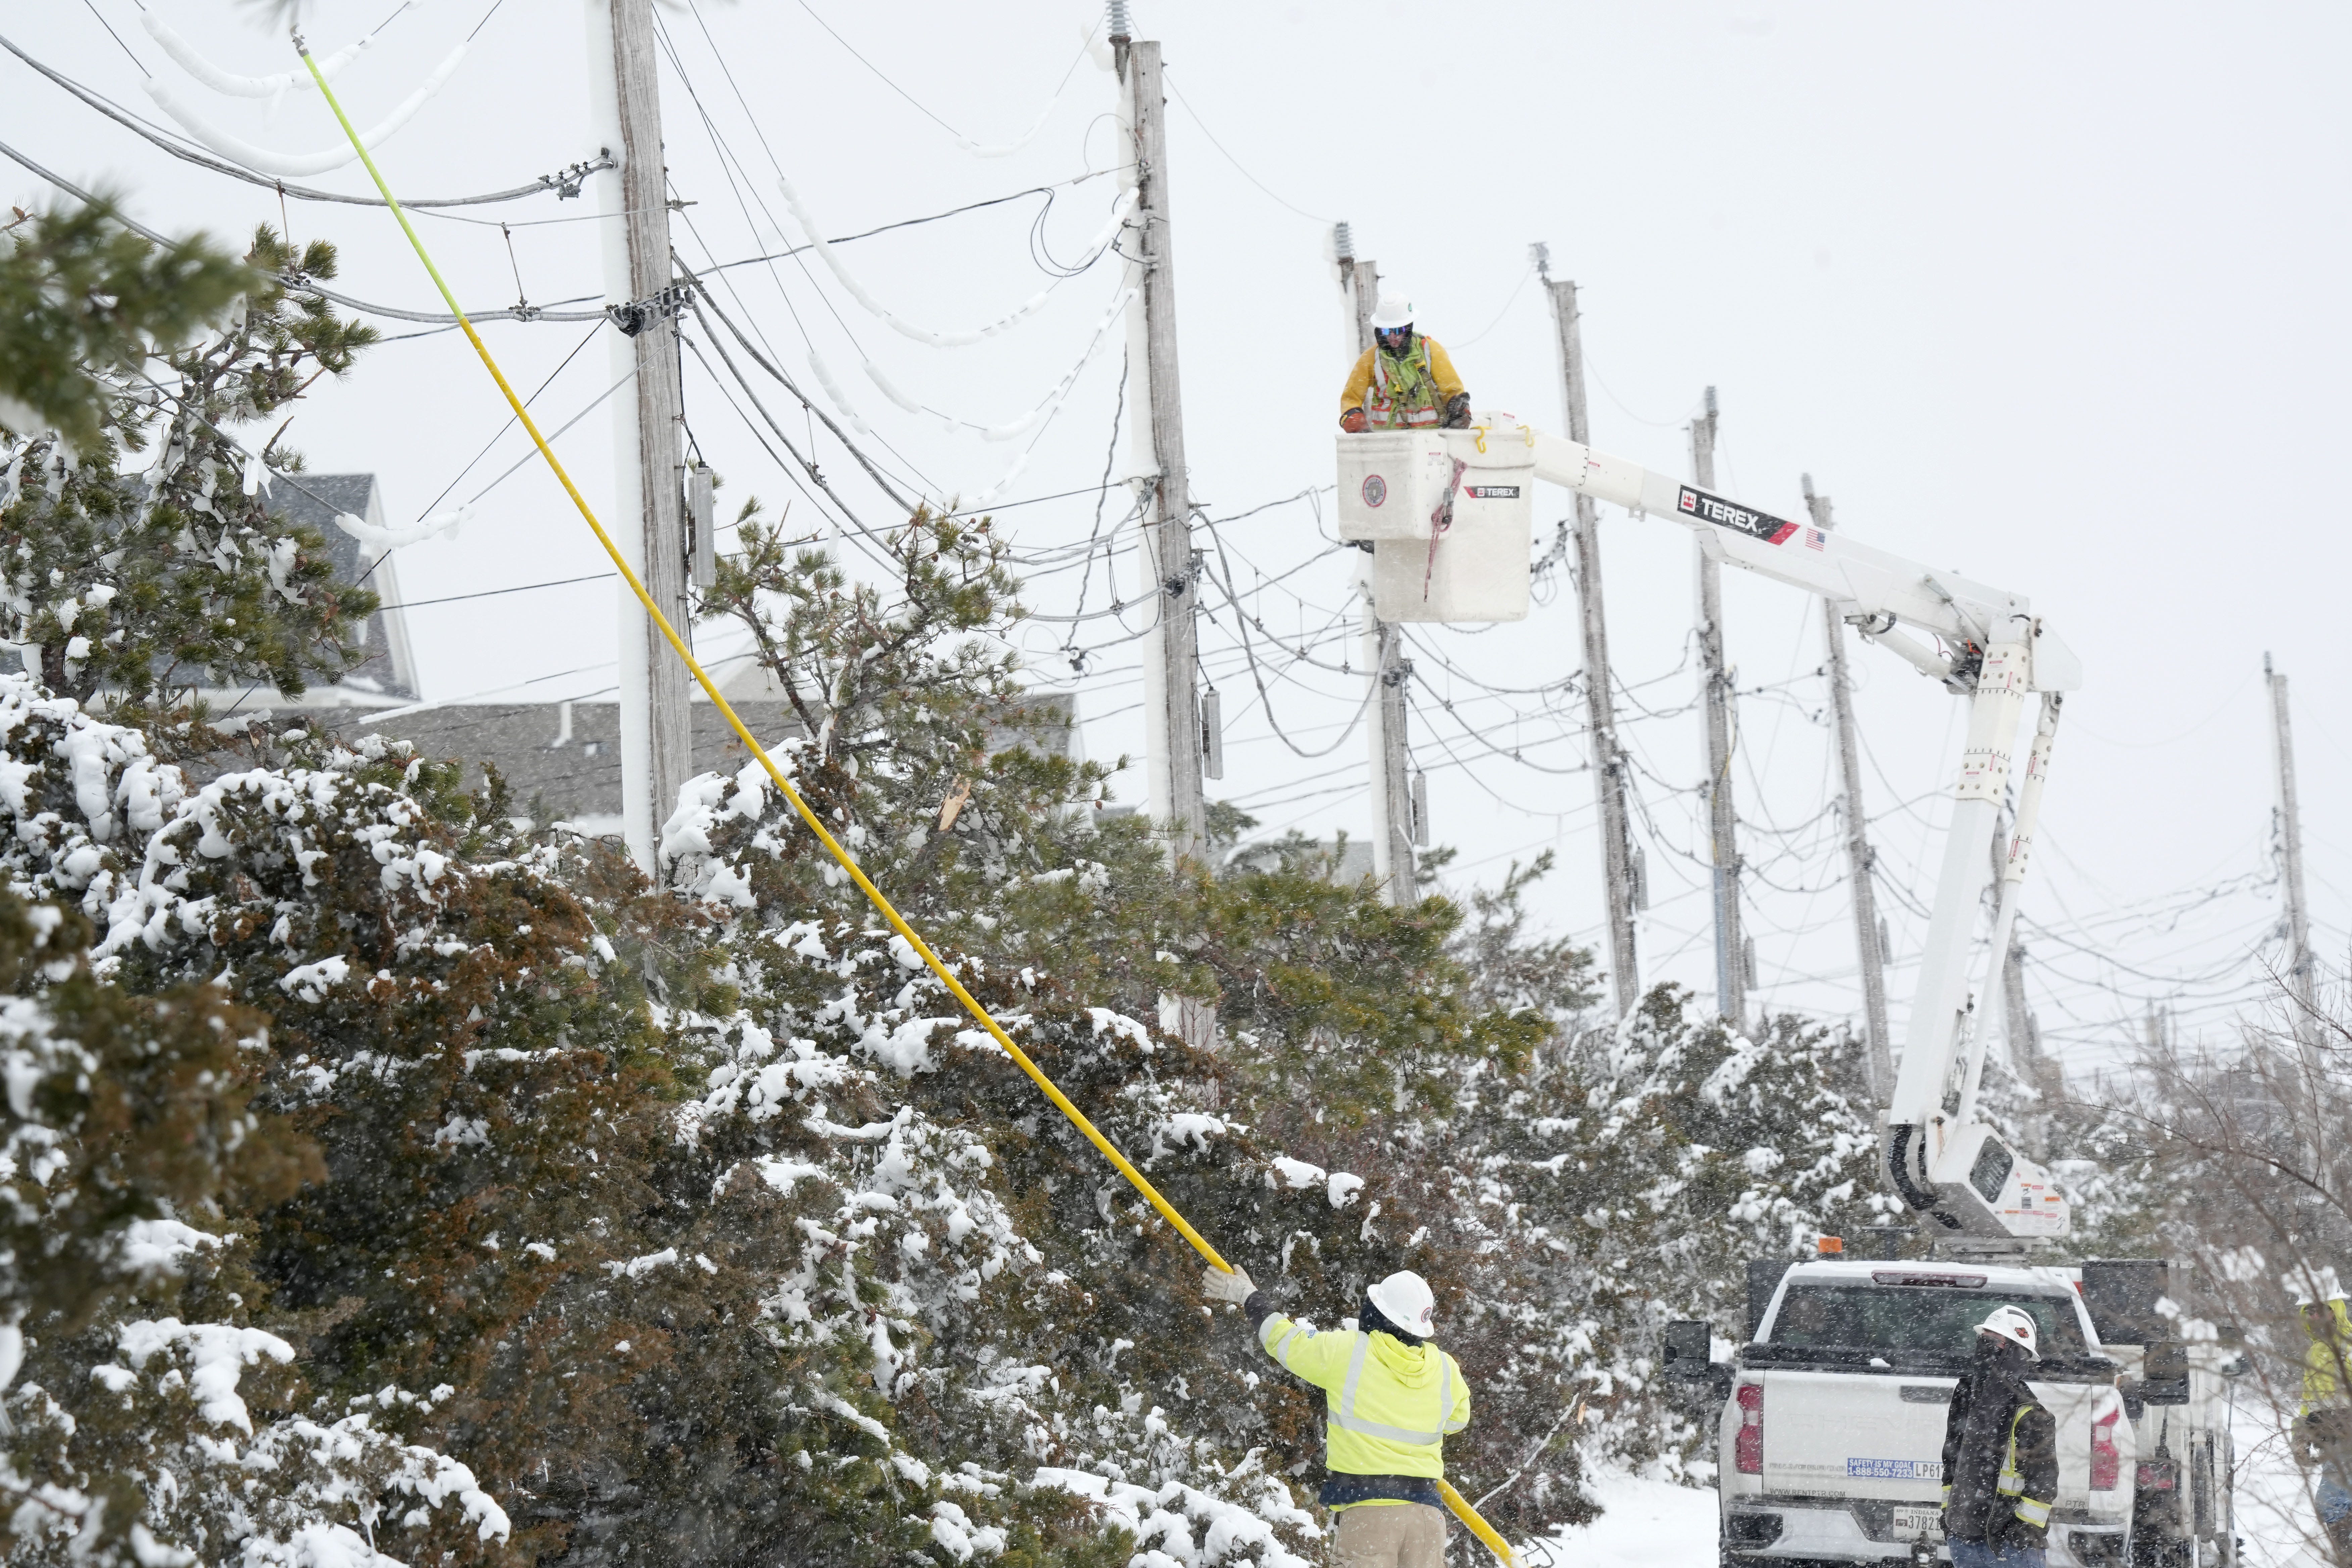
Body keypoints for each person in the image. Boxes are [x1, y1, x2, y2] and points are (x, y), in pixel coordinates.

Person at [1204, 1262, 1469, 1568]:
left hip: (1371, 1516)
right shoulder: (1446, 1369)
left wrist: (1249, 1297)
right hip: (1426, 1518)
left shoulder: (1350, 1351)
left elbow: (1287, 1342)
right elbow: (1456, 1421)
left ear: (1376, 1313)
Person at [1940, 1306, 2059, 1568]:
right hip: (1964, 1542)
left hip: (2012, 1550)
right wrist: (1948, 1517)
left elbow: (2044, 1484)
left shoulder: (2032, 1415)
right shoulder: (1965, 1399)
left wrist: (2021, 1531)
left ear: (2016, 1352)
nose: (1985, 1347)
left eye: (1994, 1342)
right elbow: (1951, 1464)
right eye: (1983, 1339)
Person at [1339, 295, 1472, 433]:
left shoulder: (1430, 350)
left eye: (1398, 331)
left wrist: (1460, 411)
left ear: (1408, 328)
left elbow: (1451, 390)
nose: (1392, 337)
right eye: (1386, 331)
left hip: (1430, 440)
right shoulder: (1371, 358)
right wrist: (1355, 422)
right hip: (1388, 441)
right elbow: (1351, 398)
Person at [2296, 1280, 2352, 1561]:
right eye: (2309, 1311)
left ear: (2336, 1310)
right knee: (2335, 1504)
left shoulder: (2348, 1345)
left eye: (2320, 1310)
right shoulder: (2317, 1350)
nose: (2314, 1316)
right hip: (2332, 1438)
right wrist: (2301, 1435)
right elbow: (2309, 1401)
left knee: (2334, 1502)